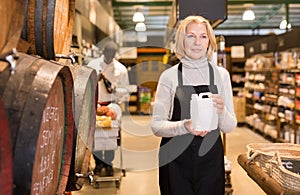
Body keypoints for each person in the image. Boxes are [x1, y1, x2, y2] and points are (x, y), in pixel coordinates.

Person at [151, 15, 237, 195]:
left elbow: (229, 127)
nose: (197, 42)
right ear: (182, 40)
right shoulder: (169, 76)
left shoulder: (221, 75)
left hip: (210, 160)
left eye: (203, 36)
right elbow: (157, 126)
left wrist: (221, 112)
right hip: (175, 161)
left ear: (209, 42)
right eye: (191, 36)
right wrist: (185, 126)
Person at [87, 41, 130, 176]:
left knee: (111, 137)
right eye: (107, 54)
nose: (109, 57)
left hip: (112, 105)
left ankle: (109, 163)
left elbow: (126, 89)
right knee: (95, 136)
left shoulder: (121, 69)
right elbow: (85, 85)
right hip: (95, 104)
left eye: (112, 55)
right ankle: (98, 164)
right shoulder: (92, 65)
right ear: (103, 52)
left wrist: (116, 90)